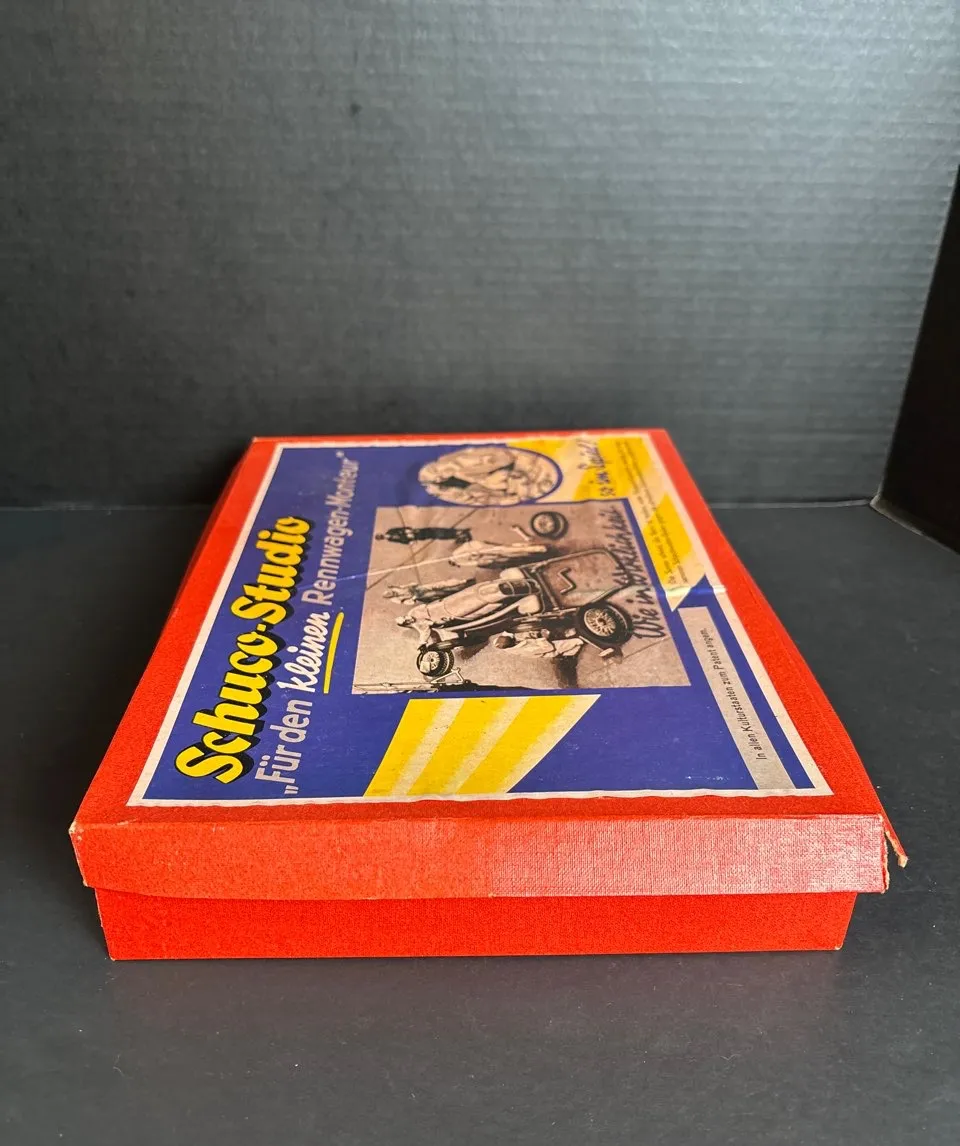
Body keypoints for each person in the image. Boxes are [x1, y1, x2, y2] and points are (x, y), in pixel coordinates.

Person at [448, 537, 550, 569]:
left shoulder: (457, 555)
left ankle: (536, 549)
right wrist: (485, 560)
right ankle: (530, 551)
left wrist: (477, 552)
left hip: (479, 548)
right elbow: (475, 562)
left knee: (503, 549)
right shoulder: (459, 560)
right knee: (505, 554)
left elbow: (469, 547)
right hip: (481, 554)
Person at [383, 577, 475, 606]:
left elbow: (407, 585)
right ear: (390, 597)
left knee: (441, 584)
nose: (391, 593)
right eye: (390, 594)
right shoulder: (395, 600)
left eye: (390, 592)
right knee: (439, 593)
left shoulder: (395, 588)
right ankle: (461, 591)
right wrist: (414, 598)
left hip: (418, 589)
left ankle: (464, 581)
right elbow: (408, 602)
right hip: (419, 595)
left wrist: (412, 585)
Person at [492, 631, 585, 659]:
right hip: (551, 649)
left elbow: (522, 638)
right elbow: (549, 648)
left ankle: (572, 650)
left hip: (541, 646)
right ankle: (581, 641)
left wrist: (530, 635)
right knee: (577, 640)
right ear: (513, 642)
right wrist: (541, 637)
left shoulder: (509, 645)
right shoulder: (527, 649)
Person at [375, 526, 472, 545]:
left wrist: (407, 530)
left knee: (438, 531)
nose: (384, 537)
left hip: (418, 532)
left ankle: (459, 532)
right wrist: (410, 542)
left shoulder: (391, 531)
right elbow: (402, 541)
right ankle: (459, 535)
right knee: (440, 536)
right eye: (382, 538)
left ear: (382, 534)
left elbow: (402, 528)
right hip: (419, 537)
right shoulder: (391, 540)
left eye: (382, 535)